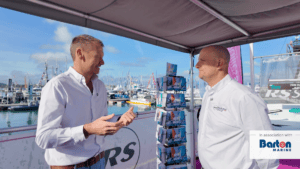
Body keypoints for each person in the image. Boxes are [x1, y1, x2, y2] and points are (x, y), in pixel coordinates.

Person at [35, 34, 136, 169]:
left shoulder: (100, 86)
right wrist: (86, 130)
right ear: (80, 54)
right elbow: (43, 138)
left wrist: (120, 121)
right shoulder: (57, 86)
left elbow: (100, 123)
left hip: (99, 161)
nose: (102, 62)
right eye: (98, 57)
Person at [195, 45, 279, 169]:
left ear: (219, 63)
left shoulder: (243, 97)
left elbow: (266, 150)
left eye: (202, 61)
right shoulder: (208, 94)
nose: (197, 65)